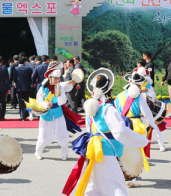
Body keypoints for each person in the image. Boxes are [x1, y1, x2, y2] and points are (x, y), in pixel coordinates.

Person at [62, 68, 148, 196]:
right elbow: (119, 131)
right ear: (109, 90)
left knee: (95, 188)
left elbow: (90, 129)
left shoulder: (91, 107)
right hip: (105, 153)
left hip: (93, 151)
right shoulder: (108, 109)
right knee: (117, 188)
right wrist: (141, 140)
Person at [115, 72, 165, 187]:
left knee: (123, 152)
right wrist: (153, 125)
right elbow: (147, 114)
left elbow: (117, 112)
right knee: (136, 153)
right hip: (137, 126)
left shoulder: (119, 96)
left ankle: (122, 175)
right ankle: (131, 178)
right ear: (138, 86)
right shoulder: (140, 97)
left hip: (122, 125)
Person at [35, 62, 78, 161]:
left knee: (62, 134)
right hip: (46, 115)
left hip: (58, 114)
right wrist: (46, 105)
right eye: (55, 78)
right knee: (43, 135)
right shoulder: (42, 89)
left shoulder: (59, 87)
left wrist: (59, 97)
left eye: (58, 79)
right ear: (49, 78)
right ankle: (38, 152)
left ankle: (65, 154)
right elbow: (38, 102)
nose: (57, 80)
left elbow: (64, 99)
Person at [0, 56, 10, 121]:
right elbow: (8, 80)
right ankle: (3, 116)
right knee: (3, 102)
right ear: (2, 61)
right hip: (4, 87)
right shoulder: (5, 69)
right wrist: (8, 88)